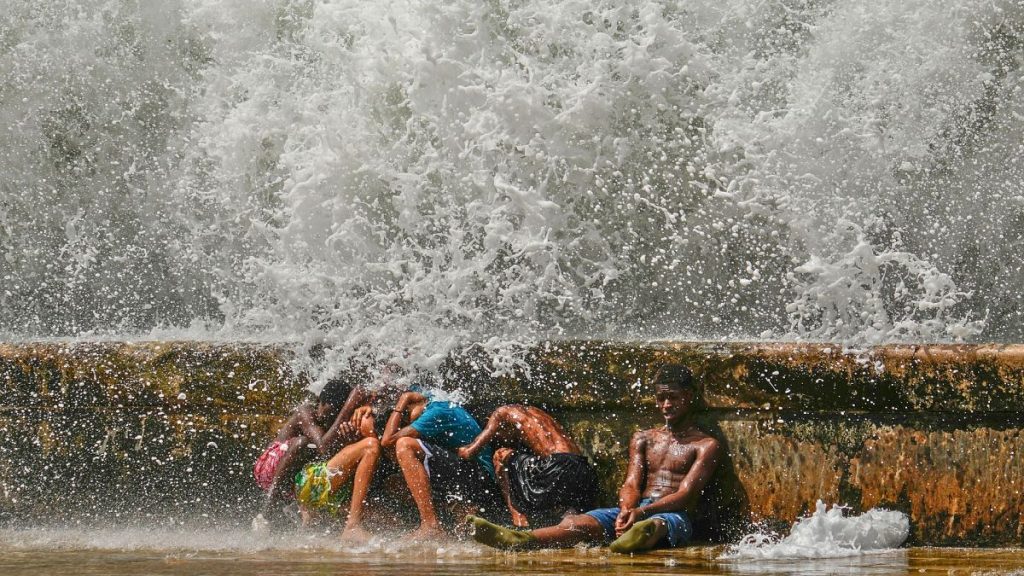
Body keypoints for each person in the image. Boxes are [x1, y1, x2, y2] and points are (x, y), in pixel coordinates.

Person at [469, 366, 721, 554]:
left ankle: (635, 537)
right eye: (660, 398)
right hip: (634, 509)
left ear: (688, 396)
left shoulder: (705, 444)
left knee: (655, 526)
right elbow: (631, 483)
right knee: (577, 523)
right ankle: (522, 539)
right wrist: (626, 510)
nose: (666, 405)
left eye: (673, 398)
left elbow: (687, 494)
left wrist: (641, 512)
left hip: (673, 515)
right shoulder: (643, 438)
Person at [380, 388, 498, 540]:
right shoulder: (434, 400)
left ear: (416, 400)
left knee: (404, 445)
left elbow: (387, 441)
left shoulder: (437, 411)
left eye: (407, 414)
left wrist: (402, 401)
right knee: (395, 483)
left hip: (481, 478)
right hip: (468, 473)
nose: (410, 422)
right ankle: (451, 514)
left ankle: (430, 525)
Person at [252, 377, 366, 528]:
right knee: (304, 443)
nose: (330, 418)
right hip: (270, 468)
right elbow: (323, 447)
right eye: (330, 411)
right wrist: (347, 409)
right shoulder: (306, 412)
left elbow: (327, 454)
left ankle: (300, 511)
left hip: (297, 477)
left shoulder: (334, 421)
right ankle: (268, 508)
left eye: (336, 413)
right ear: (320, 401)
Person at [457, 405, 598, 527]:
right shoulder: (535, 413)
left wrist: (455, 449)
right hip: (583, 469)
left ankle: (519, 522)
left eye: (498, 436)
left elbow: (469, 452)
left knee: (500, 454)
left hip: (557, 467)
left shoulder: (500, 413)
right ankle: (569, 522)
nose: (502, 440)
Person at [293, 405, 381, 542]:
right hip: (312, 481)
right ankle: (352, 526)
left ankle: (310, 518)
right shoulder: (353, 422)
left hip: (333, 497)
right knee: (371, 444)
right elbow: (322, 449)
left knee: (388, 518)